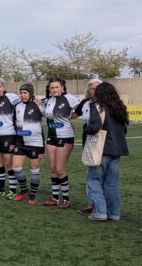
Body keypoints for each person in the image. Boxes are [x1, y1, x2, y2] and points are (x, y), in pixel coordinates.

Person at [85, 82, 129, 222]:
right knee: (112, 184)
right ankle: (114, 213)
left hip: (101, 149)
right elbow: (124, 130)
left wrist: (86, 128)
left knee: (94, 180)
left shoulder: (97, 106)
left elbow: (95, 127)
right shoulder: (119, 107)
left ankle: (100, 212)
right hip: (117, 149)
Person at [41, 78, 80, 208]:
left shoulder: (69, 98)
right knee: (53, 169)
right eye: (52, 88)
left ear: (62, 87)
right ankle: (55, 198)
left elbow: (80, 110)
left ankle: (67, 200)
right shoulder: (48, 100)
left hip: (66, 136)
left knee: (60, 169)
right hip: (51, 137)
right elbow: (44, 113)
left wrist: (70, 118)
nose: (54, 90)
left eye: (57, 87)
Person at [72, 78, 102, 214]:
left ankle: (101, 204)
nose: (93, 90)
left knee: (101, 173)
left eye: (97, 88)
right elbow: (74, 114)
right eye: (91, 88)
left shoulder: (106, 103)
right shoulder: (85, 103)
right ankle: (92, 202)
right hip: (88, 139)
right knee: (91, 172)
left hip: (102, 140)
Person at [11, 83, 45, 204]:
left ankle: (33, 195)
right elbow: (14, 122)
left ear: (30, 93)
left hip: (35, 142)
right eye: (21, 93)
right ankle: (24, 190)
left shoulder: (38, 104)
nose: (22, 95)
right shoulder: (17, 106)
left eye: (25, 93)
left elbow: (48, 115)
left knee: (34, 168)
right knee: (16, 167)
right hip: (20, 141)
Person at [0, 78, 21, 198]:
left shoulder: (11, 97)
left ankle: (12, 190)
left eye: (0, 86)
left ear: (3, 86)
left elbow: (25, 100)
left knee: (9, 163)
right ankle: (0, 188)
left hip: (8, 135)